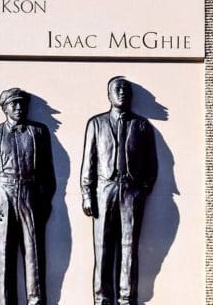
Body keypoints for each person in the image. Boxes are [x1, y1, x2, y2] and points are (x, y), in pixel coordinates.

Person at [80, 76, 158, 305]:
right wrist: (87, 194)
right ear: (109, 95)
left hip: (132, 191)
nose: (122, 92)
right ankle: (102, 299)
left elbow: (152, 163)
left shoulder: (142, 125)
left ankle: (127, 299)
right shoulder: (96, 123)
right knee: (102, 248)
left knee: (129, 247)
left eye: (126, 89)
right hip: (104, 190)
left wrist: (143, 189)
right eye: (117, 89)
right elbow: (89, 162)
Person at [0, 88, 55, 305]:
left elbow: (48, 172)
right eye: (14, 104)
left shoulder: (38, 132)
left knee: (34, 254)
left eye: (22, 103)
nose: (19, 107)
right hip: (3, 195)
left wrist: (44, 201)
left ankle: (36, 301)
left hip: (31, 194)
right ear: (4, 108)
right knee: (4, 255)